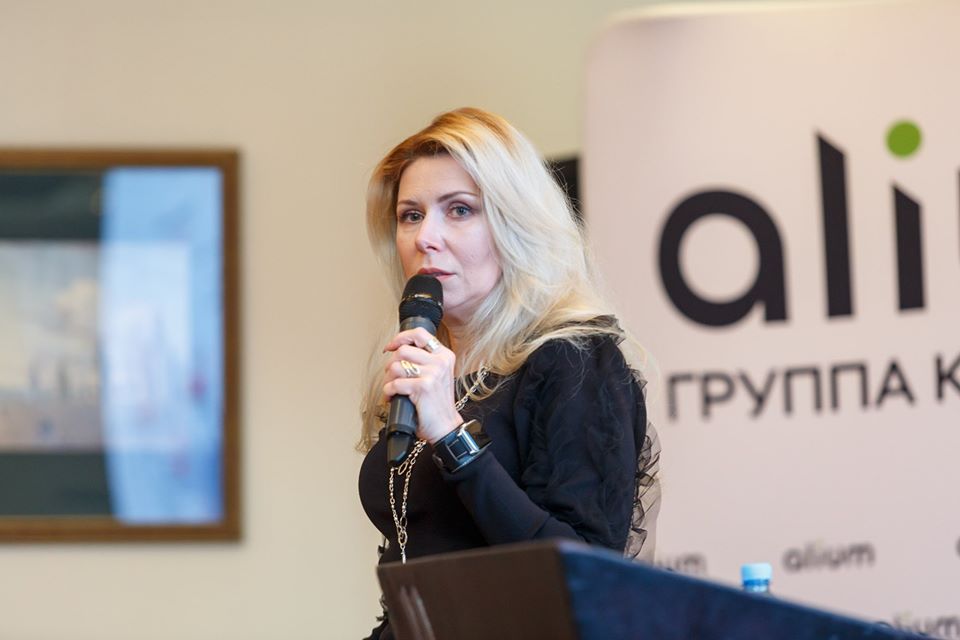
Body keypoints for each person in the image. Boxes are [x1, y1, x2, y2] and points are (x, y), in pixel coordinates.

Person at [357, 107, 660, 639]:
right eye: (411, 215)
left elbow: (583, 572)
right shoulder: (426, 366)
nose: (426, 236)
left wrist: (451, 436)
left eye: (459, 210)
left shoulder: (574, 360)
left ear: (513, 223)